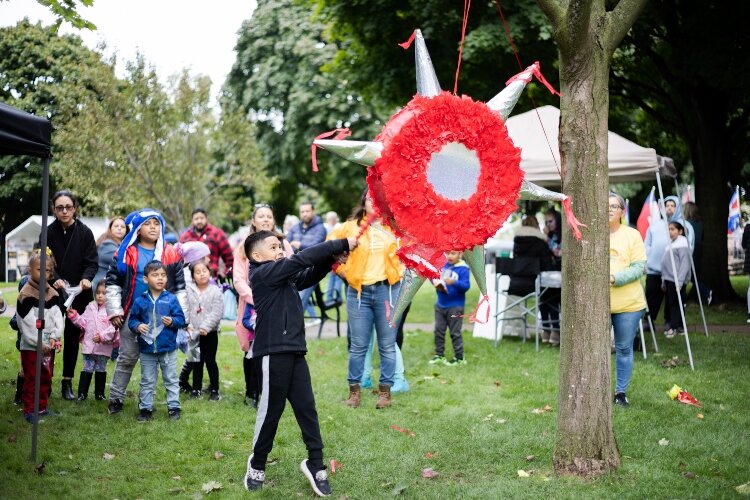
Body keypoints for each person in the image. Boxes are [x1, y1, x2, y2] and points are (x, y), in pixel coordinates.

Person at [242, 230, 355, 496]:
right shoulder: (262, 274)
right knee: (271, 412)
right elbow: (300, 261)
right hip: (272, 354)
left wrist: (330, 262)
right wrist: (338, 244)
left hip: (295, 352)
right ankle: (257, 462)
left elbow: (306, 276)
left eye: (280, 246)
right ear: (257, 256)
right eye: (273, 247)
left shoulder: (284, 276)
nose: (280, 250)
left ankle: (315, 464)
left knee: (307, 410)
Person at [106, 208, 188, 415]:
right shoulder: (126, 253)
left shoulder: (170, 253)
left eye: (157, 223)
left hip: (163, 320)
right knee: (127, 357)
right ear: (137, 228)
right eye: (148, 223)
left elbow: (179, 287)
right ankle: (116, 399)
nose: (153, 227)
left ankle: (171, 405)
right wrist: (115, 310)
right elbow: (113, 282)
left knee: (166, 364)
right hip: (133, 316)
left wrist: (182, 319)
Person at [329, 189, 404, 409]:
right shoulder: (349, 227)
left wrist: (402, 270)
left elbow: (410, 251)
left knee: (388, 345)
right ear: (364, 202)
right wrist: (343, 271)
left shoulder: (394, 227)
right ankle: (354, 392)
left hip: (387, 292)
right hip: (359, 293)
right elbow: (329, 250)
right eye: (372, 198)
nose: (376, 202)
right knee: (358, 345)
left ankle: (385, 393)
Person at [233, 204, 294, 408]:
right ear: (254, 221)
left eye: (269, 216)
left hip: (279, 304)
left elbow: (293, 270)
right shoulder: (244, 247)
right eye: (261, 216)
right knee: (251, 349)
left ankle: (271, 392)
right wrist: (256, 298)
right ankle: (252, 392)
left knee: (274, 350)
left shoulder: (284, 244)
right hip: (252, 306)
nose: (266, 219)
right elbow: (239, 279)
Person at [45, 190, 99, 400]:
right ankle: (45, 381)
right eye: (60, 208)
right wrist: (54, 278)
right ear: (54, 209)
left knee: (72, 336)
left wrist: (87, 278)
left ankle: (67, 382)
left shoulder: (85, 232)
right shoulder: (48, 232)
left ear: (74, 208)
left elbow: (92, 262)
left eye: (68, 207)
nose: (64, 211)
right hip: (55, 291)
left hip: (80, 293)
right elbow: (43, 261)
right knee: (51, 334)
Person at [128, 260, 187, 421]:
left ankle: (174, 407)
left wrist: (173, 322)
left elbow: (181, 319)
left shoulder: (171, 299)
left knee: (171, 378)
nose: (160, 278)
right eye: (155, 275)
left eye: (163, 275)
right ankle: (145, 409)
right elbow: (132, 321)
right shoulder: (140, 301)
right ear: (146, 279)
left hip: (168, 349)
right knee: (147, 380)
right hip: (147, 349)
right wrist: (138, 326)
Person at [608, 193, 647, 408]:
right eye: (606, 206)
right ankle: (596, 390)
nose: (609, 209)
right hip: (599, 304)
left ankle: (620, 393)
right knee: (597, 349)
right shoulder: (594, 234)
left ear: (622, 212)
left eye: (614, 206)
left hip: (629, 305)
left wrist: (613, 278)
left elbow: (638, 268)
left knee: (623, 348)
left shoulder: (632, 235)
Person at [16, 250, 64, 422]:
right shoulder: (26, 295)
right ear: (30, 270)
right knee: (33, 378)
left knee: (46, 377)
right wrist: (38, 342)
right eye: (39, 270)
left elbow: (58, 317)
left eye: (48, 271)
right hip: (31, 347)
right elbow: (27, 324)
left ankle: (42, 407)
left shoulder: (53, 293)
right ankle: (30, 409)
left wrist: (54, 336)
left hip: (48, 346)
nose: (44, 274)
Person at [644, 195, 694, 331]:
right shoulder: (654, 227)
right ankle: (648, 321)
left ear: (677, 207)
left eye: (673, 205)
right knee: (651, 297)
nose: (669, 208)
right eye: (667, 205)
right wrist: (648, 258)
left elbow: (688, 248)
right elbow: (646, 245)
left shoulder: (684, 226)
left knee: (673, 299)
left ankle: (671, 322)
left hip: (674, 273)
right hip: (654, 270)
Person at [67, 279, 118, 401]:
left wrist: (101, 337)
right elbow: (84, 322)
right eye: (98, 293)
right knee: (87, 369)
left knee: (101, 369)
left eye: (104, 293)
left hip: (103, 347)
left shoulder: (112, 310)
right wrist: (75, 317)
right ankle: (82, 394)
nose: (100, 295)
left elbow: (113, 329)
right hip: (89, 347)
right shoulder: (90, 307)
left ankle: (99, 394)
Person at [513, 214, 560, 344]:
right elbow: (547, 266)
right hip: (537, 283)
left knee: (544, 296)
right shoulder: (540, 242)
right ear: (536, 226)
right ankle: (555, 331)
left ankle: (545, 331)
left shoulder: (516, 242)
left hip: (518, 284)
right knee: (552, 294)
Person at [183, 260, 223, 400]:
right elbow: (185, 308)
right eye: (198, 272)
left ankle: (214, 390)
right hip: (193, 333)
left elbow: (217, 313)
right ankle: (196, 390)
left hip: (209, 333)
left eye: (204, 271)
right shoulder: (189, 290)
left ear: (209, 272)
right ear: (193, 276)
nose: (201, 274)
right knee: (195, 361)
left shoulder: (215, 291)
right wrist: (187, 325)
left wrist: (205, 327)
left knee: (210, 362)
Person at [288, 201, 328, 321]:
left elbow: (316, 247)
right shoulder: (294, 228)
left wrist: (300, 244)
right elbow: (285, 244)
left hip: (311, 269)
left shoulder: (320, 228)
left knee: (299, 299)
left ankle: (294, 326)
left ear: (313, 211)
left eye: (307, 211)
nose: (305, 214)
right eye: (302, 212)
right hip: (293, 268)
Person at [430, 250, 470, 365]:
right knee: (439, 331)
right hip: (440, 305)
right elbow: (433, 276)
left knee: (455, 332)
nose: (449, 256)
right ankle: (439, 355)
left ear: (460, 254)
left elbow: (466, 286)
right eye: (447, 253)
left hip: (455, 307)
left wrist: (454, 282)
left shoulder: (463, 268)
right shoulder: (443, 266)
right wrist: (435, 282)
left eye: (453, 253)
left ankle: (459, 358)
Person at [179, 208, 234, 279]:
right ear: (192, 221)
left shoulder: (216, 233)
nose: (199, 221)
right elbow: (179, 259)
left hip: (212, 277)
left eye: (202, 218)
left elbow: (229, 258)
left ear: (206, 219)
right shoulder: (185, 237)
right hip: (190, 279)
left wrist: (226, 273)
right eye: (196, 219)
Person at [661, 221, 692, 338]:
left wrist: (679, 281)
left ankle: (673, 327)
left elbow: (685, 264)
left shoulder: (682, 243)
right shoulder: (671, 243)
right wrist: (664, 279)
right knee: (671, 303)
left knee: (675, 304)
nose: (670, 231)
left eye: (673, 229)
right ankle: (678, 326)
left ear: (680, 231)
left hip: (676, 280)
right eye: (669, 229)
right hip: (669, 279)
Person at [682, 202, 712, 305]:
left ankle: (706, 291)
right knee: (695, 274)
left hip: (691, 250)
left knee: (690, 275)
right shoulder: (700, 223)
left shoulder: (686, 224)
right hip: (699, 250)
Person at [94, 216, 127, 283]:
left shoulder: (120, 245)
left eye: (122, 227)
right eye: (116, 226)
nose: (119, 228)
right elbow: (123, 261)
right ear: (110, 228)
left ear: (126, 230)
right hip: (100, 288)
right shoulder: (107, 244)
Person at [323, 211, 345, 303]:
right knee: (333, 278)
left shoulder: (340, 227)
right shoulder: (327, 228)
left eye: (332, 219)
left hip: (339, 257)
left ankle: (336, 298)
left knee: (337, 279)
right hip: (331, 257)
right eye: (329, 219)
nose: (330, 221)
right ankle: (331, 298)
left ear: (335, 219)